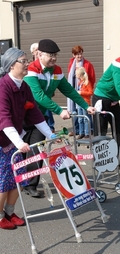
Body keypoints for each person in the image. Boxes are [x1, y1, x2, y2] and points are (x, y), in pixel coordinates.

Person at [0, 47, 55, 230]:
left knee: (18, 177)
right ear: (11, 66)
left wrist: (50, 134)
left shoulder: (23, 86)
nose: (27, 64)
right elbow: (3, 120)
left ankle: (10, 212)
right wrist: (19, 142)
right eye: (23, 61)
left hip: (12, 139)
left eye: (27, 60)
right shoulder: (0, 90)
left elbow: (34, 113)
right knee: (2, 181)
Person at [23, 39, 96, 197]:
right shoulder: (32, 69)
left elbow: (69, 91)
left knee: (37, 148)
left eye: (55, 55)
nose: (54, 58)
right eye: (50, 55)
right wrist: (59, 110)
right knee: (21, 150)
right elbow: (39, 96)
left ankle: (30, 184)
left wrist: (85, 106)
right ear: (40, 54)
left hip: (39, 117)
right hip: (21, 116)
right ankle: (20, 180)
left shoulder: (56, 71)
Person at [92, 57, 120, 150]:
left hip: (114, 100)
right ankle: (99, 159)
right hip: (102, 97)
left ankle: (117, 157)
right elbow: (118, 85)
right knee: (101, 130)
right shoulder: (117, 64)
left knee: (118, 129)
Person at [67, 45, 96, 136]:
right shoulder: (71, 63)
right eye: (77, 54)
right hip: (74, 88)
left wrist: (85, 86)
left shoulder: (87, 64)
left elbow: (92, 77)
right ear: (73, 55)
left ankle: (89, 130)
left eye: (80, 53)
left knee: (85, 113)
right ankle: (78, 130)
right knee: (75, 111)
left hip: (83, 88)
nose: (79, 56)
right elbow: (70, 76)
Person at [30, 42, 55, 132]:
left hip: (45, 94)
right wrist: (60, 111)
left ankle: (50, 127)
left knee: (48, 109)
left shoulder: (48, 66)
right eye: (36, 50)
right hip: (35, 100)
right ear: (33, 53)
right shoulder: (30, 65)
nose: (37, 51)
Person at [75, 67, 93, 139]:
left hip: (85, 103)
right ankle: (81, 132)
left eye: (76, 74)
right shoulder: (80, 83)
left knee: (86, 118)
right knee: (80, 118)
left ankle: (87, 133)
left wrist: (81, 92)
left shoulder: (87, 82)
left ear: (79, 74)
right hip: (79, 103)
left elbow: (90, 92)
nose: (76, 75)